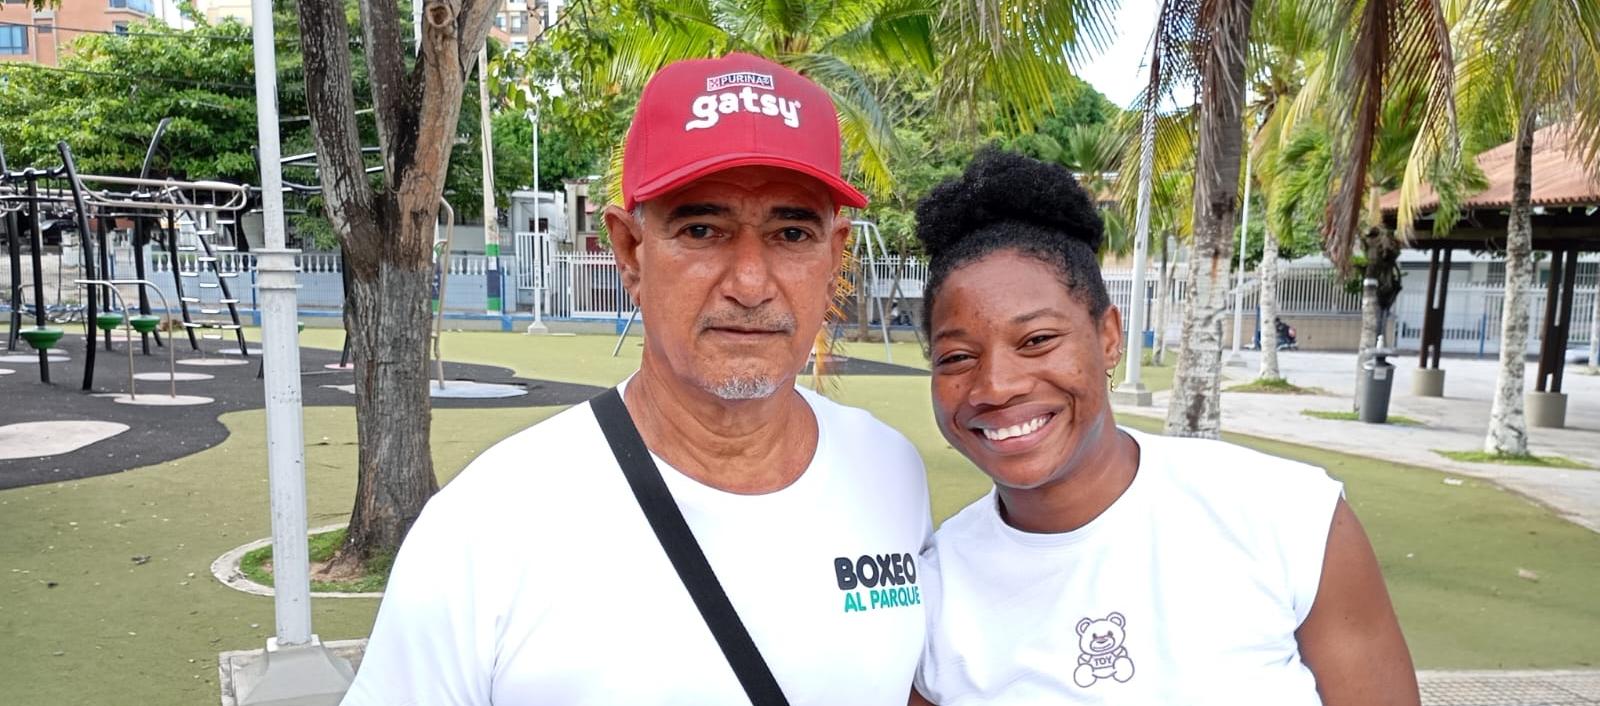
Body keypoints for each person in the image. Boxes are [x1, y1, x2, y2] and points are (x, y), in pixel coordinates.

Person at [342, 53, 932, 705]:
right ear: (629, 251)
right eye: (702, 229)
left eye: (792, 232)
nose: (750, 283)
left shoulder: (890, 472)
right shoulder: (488, 524)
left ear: (834, 256)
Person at [908, 150, 1418, 705]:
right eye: (956, 357)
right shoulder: (936, 587)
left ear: (1107, 336)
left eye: (1037, 341)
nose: (997, 386)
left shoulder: (1288, 517)